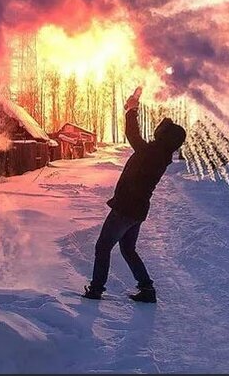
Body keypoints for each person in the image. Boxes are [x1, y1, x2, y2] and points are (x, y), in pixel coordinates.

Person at [82, 87, 185, 303]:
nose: (158, 130)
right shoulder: (159, 153)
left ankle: (96, 289)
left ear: (165, 137)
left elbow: (132, 135)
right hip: (136, 210)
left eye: (162, 129)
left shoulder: (153, 153)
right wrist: (133, 104)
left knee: (103, 247)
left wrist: (132, 108)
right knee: (128, 249)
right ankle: (147, 289)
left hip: (125, 208)